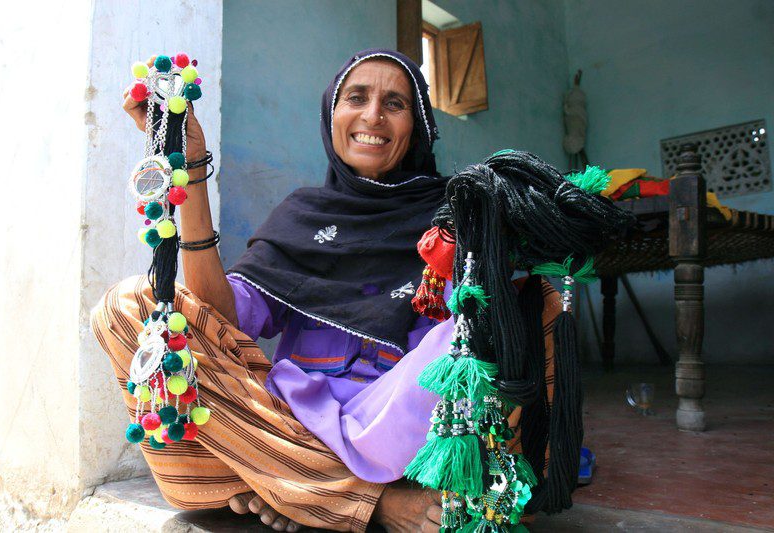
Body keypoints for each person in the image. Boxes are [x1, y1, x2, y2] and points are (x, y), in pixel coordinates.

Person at [92, 49, 565, 532]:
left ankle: (289, 488)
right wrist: (190, 166)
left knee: (512, 310)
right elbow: (222, 320)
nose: (372, 115)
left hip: (400, 432)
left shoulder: (456, 212)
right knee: (130, 307)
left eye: (395, 103)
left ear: (419, 126)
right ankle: (364, 500)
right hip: (287, 424)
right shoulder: (302, 216)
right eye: (356, 97)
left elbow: (472, 343)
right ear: (331, 116)